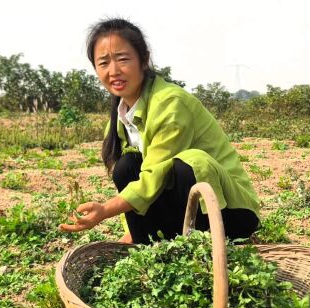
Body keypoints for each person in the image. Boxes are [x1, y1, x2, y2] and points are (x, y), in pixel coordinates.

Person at [59, 18, 261, 244]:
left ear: (143, 60)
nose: (114, 71)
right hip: (185, 209)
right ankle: (146, 244)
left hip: (228, 212)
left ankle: (205, 247)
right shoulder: (120, 118)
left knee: (188, 164)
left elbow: (154, 175)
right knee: (126, 166)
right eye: (103, 63)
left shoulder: (170, 103)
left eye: (123, 59)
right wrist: (132, 229)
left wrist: (106, 210)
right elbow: (134, 180)